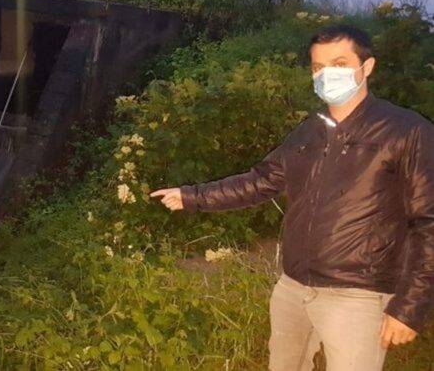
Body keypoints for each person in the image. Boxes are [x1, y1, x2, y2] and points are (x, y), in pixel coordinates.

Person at [150, 24, 434, 371]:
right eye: (318, 67)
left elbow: (428, 221)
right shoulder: (309, 131)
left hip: (358, 296)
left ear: (367, 66)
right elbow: (260, 181)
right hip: (293, 288)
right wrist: (192, 196)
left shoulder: (407, 130)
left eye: (340, 64)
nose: (327, 74)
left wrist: (410, 308)